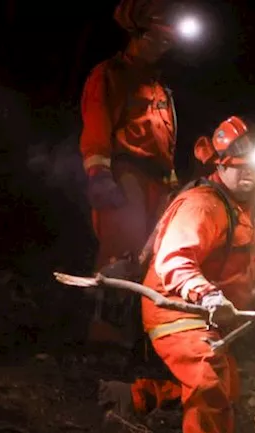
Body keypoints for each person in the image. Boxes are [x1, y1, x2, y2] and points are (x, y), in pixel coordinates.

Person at [102, 117, 255, 433]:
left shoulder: (254, 209)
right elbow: (173, 261)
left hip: (212, 312)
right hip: (173, 307)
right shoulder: (202, 204)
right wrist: (208, 294)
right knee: (207, 376)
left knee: (228, 389)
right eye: (236, 168)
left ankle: (138, 397)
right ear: (219, 166)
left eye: (252, 169)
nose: (247, 176)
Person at [80, 0, 181, 345]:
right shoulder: (110, 75)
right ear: (139, 34)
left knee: (151, 256)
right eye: (159, 38)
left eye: (169, 40)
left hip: (157, 181)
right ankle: (104, 337)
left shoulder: (159, 88)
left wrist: (172, 185)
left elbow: (165, 143)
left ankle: (138, 335)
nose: (165, 45)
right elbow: (97, 124)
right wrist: (99, 173)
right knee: (120, 252)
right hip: (127, 173)